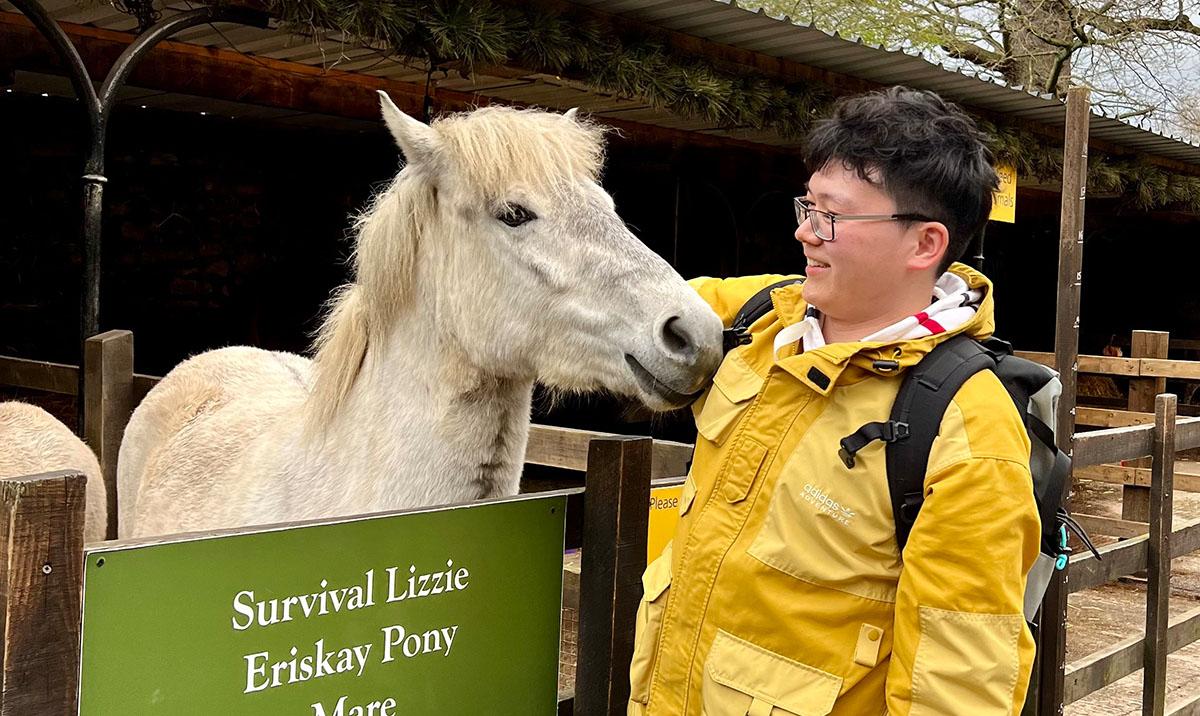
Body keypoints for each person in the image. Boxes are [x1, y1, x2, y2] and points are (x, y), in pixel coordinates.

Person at [628, 86, 1040, 715]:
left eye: (831, 216)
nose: (803, 232)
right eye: (807, 205)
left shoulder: (965, 428)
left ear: (925, 244)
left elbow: (957, 685)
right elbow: (615, 310)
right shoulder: (763, 316)